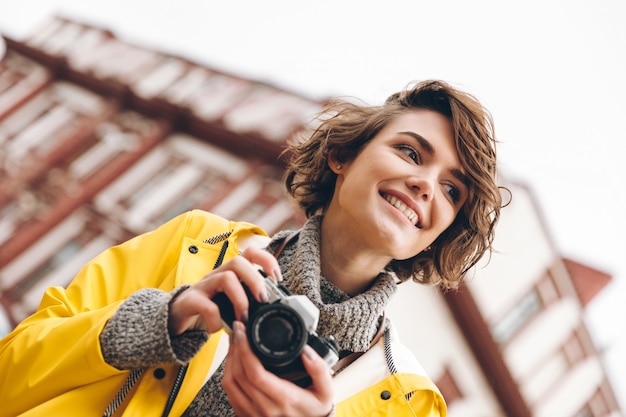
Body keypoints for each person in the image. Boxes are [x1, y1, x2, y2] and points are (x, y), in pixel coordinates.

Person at [0, 79, 503, 416]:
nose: (425, 185)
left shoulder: (412, 403)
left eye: (452, 190)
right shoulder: (198, 242)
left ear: (442, 231)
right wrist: (159, 322)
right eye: (410, 151)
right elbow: (10, 372)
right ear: (342, 156)